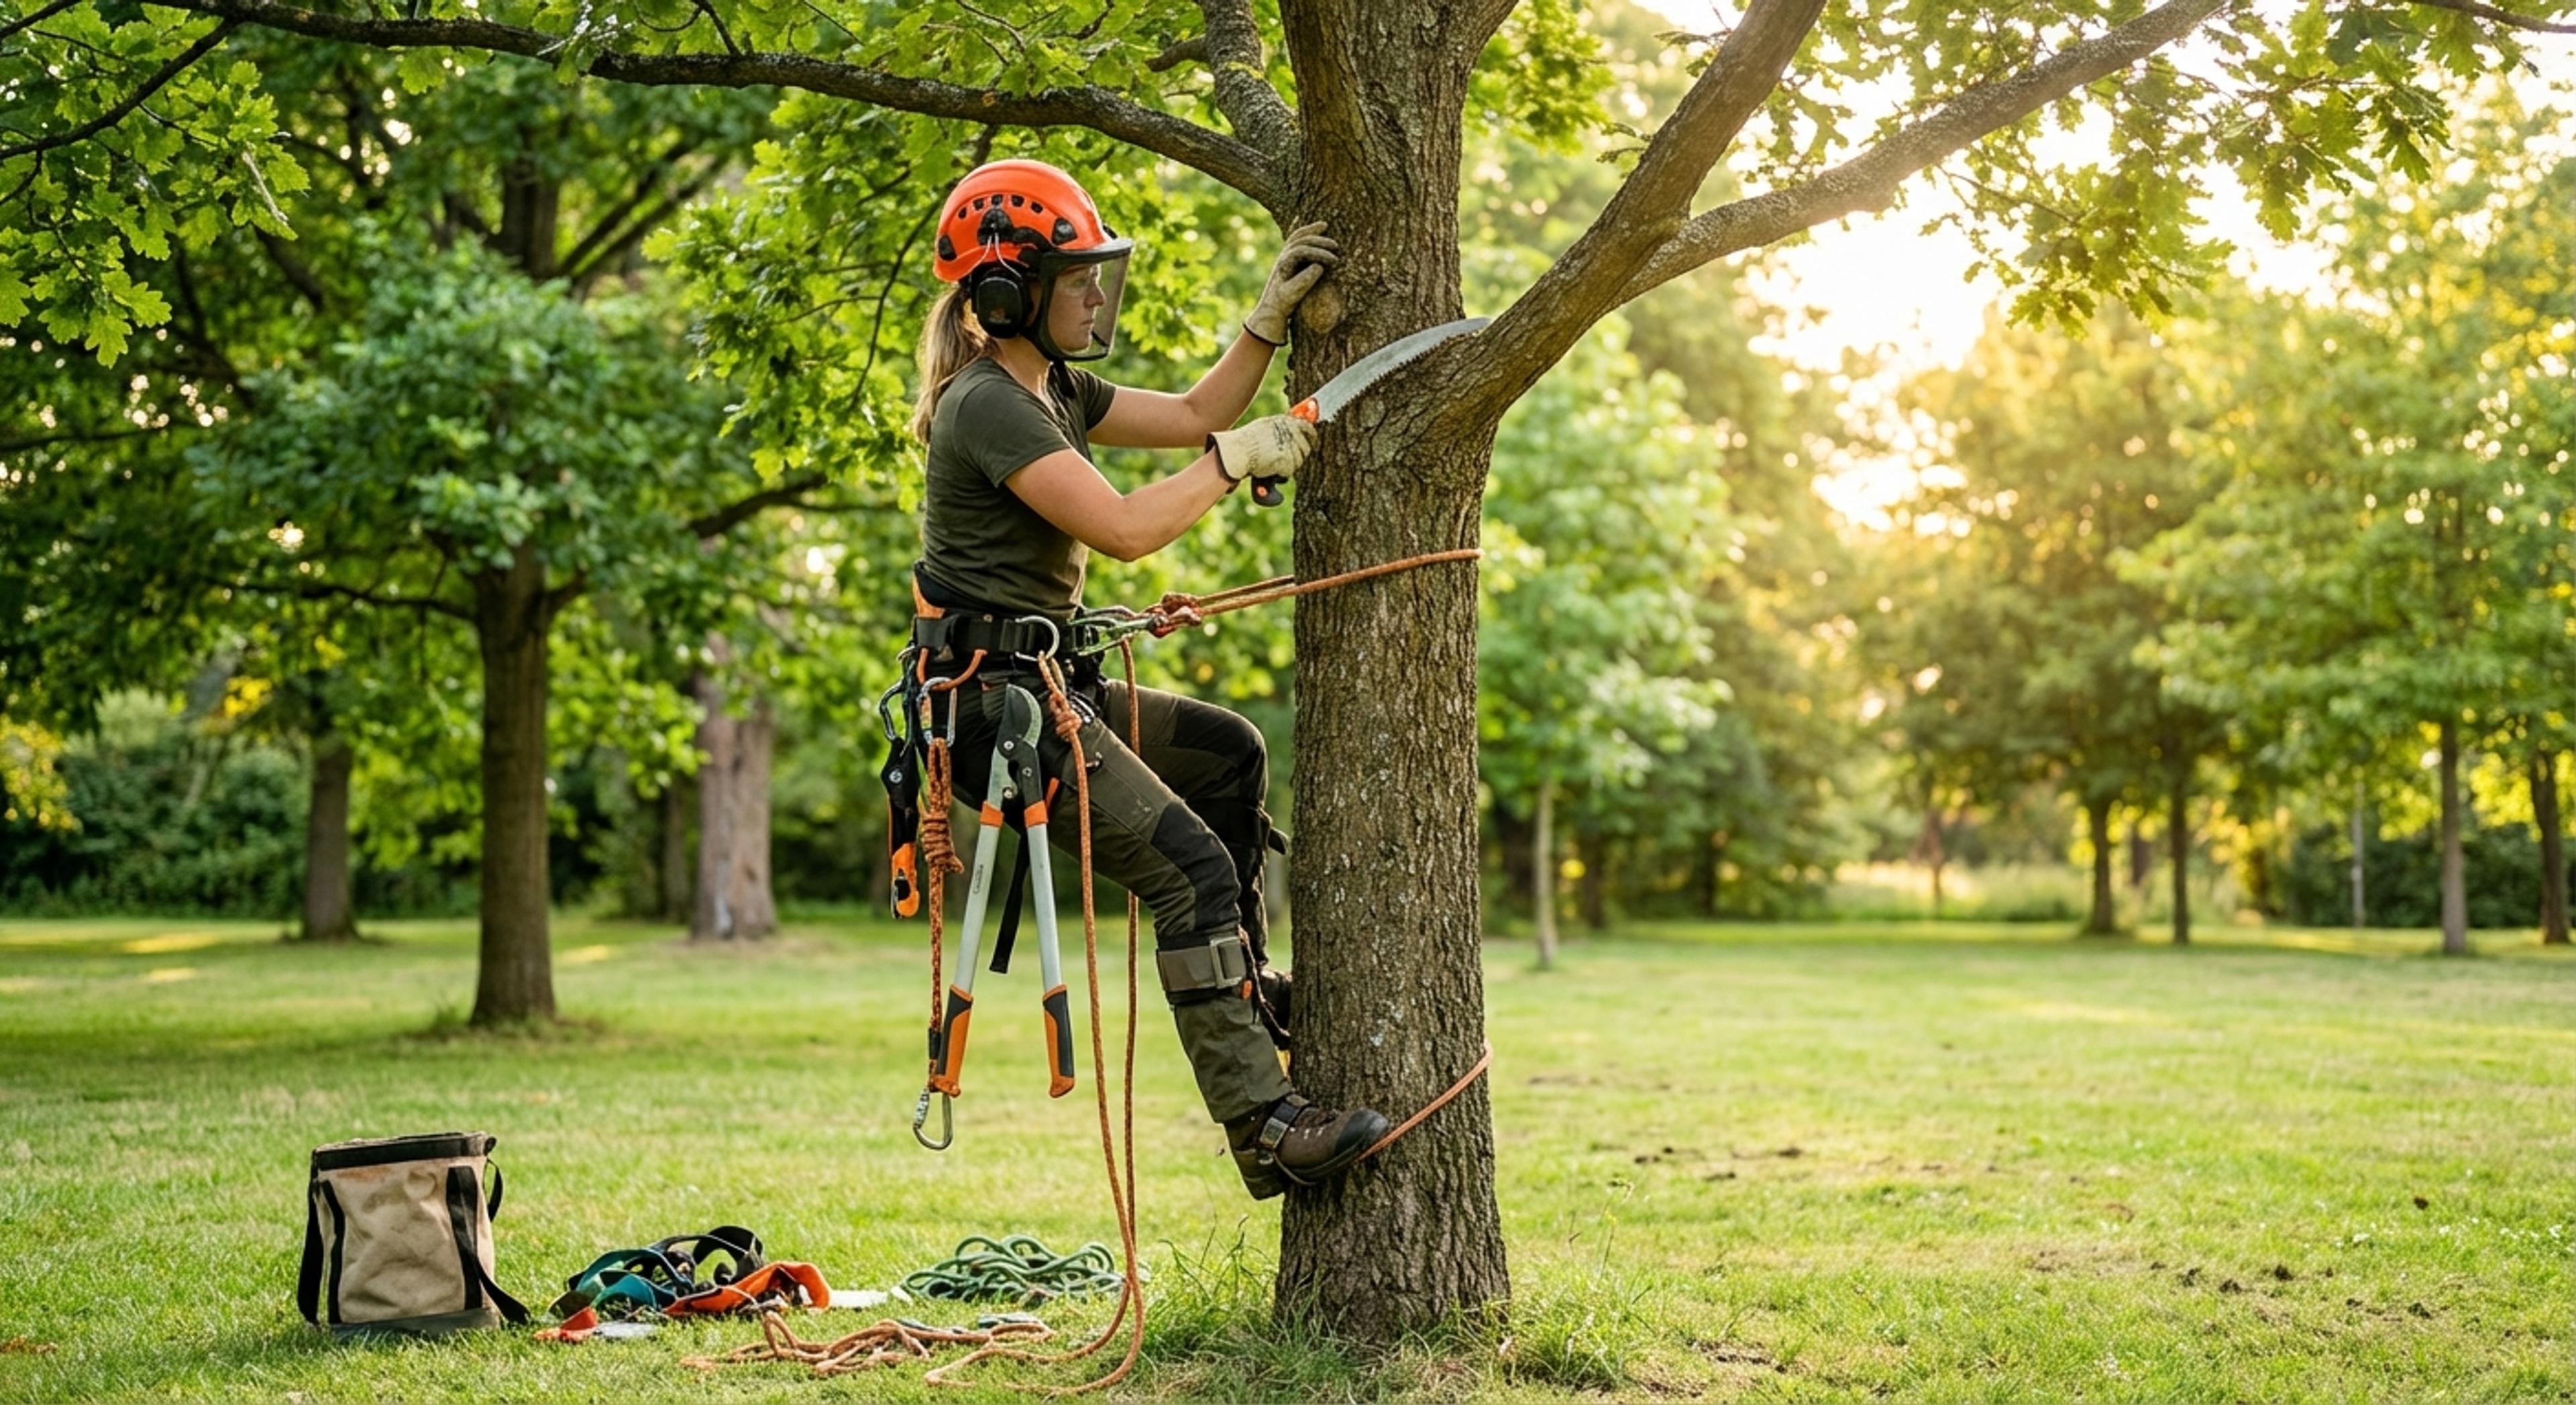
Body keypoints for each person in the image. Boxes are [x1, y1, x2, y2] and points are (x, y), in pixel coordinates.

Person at [904, 158, 1388, 1198]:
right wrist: (1234, 462)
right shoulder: (987, 405)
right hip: (1000, 721)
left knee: (1230, 754)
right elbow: (1125, 531)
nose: (1094, 295)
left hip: (1048, 690)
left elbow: (1198, 408)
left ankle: (1246, 989)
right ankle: (1265, 1126)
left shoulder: (1060, 389)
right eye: (1076, 278)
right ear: (1005, 294)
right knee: (1192, 872)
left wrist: (1265, 321)